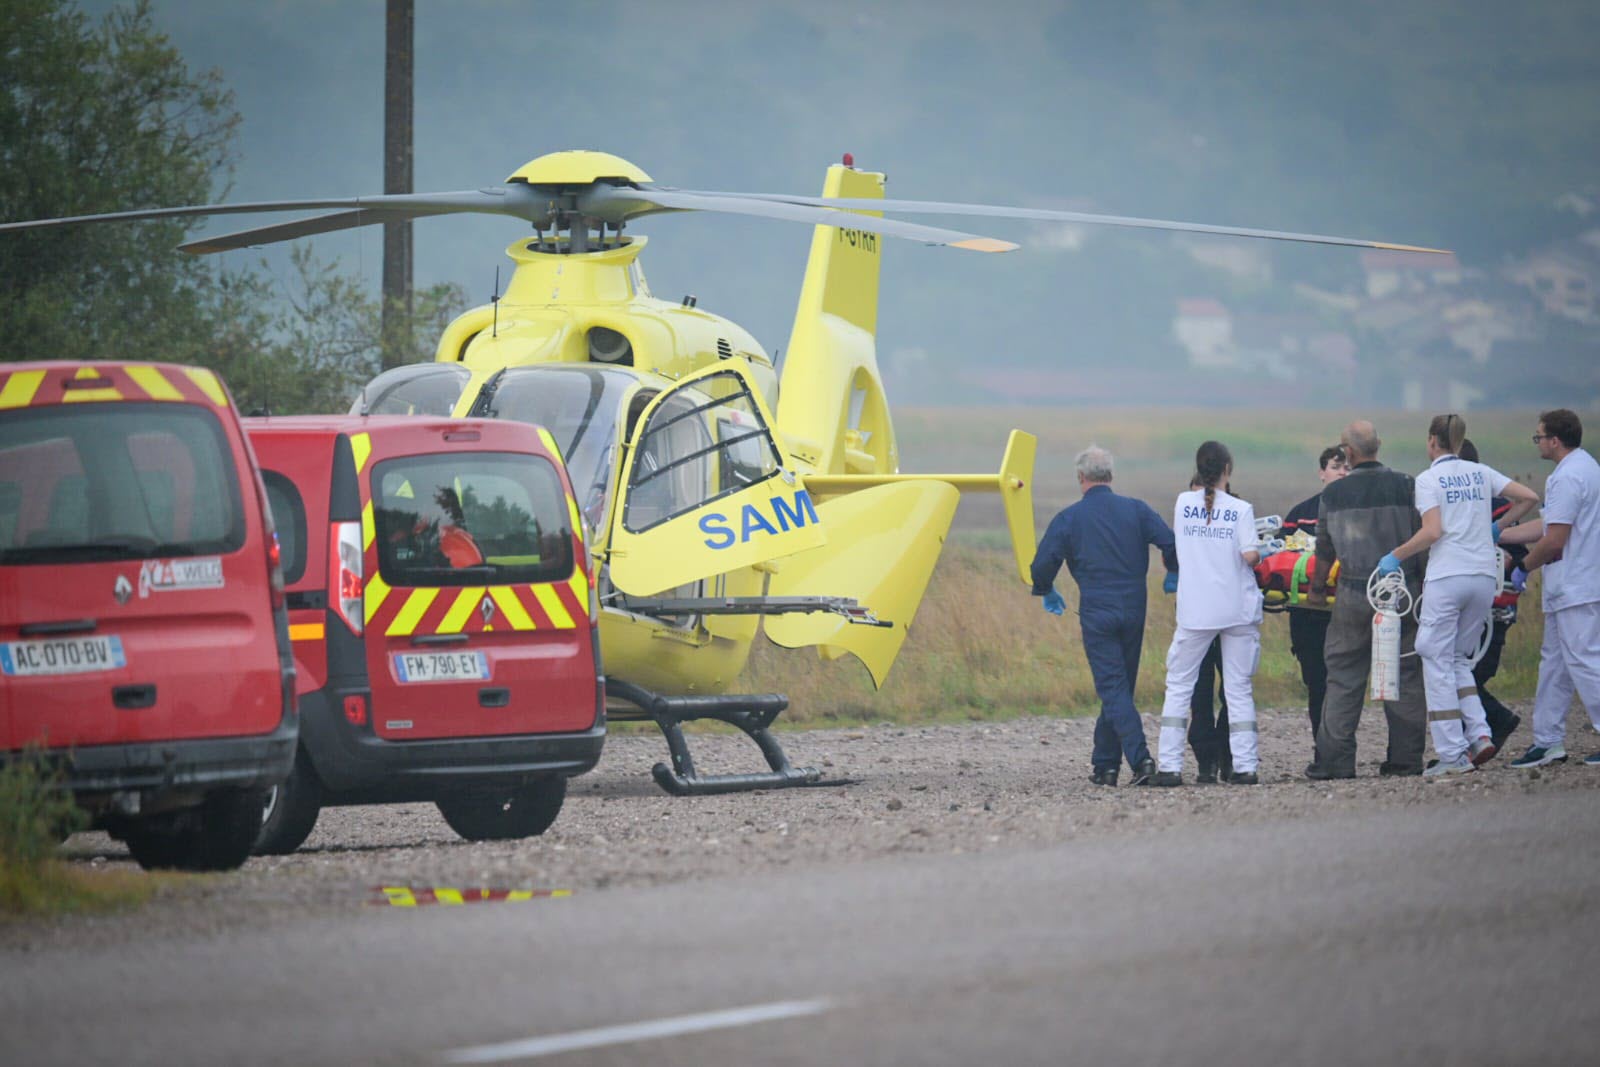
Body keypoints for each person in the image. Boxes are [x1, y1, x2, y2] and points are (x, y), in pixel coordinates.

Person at [1378, 415, 1538, 777]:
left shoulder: (1428, 479)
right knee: (1458, 659)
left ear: (1433, 441)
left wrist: (1396, 556)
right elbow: (1529, 497)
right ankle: (1480, 734)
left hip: (1448, 576)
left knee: (1432, 656)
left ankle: (1451, 753)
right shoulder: (1481, 473)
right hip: (1483, 578)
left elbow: (1432, 531)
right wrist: (1497, 526)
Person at [1032, 444, 1177, 787]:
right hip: (1134, 606)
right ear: (1110, 476)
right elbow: (1170, 542)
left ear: (1081, 478)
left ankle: (1141, 760)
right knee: (1119, 687)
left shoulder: (1069, 518)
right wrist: (1172, 570)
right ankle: (1105, 765)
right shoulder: (1137, 510)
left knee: (1113, 687)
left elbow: (1042, 564)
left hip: (1097, 609)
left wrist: (1045, 588)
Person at [1304, 420, 1428, 779]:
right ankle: (1405, 761)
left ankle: (1335, 762)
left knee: (1343, 676)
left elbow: (1324, 550)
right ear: (1379, 445)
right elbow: (1423, 537)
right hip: (1403, 593)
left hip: (1353, 595)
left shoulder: (1333, 496)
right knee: (1404, 673)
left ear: (1348, 453)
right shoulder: (1407, 485)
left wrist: (1315, 591)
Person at [1153, 441, 1272, 787]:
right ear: (1228, 470)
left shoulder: (1182, 503)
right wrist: (1264, 550)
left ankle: (1170, 767)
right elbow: (1250, 556)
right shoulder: (1241, 509)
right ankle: (1246, 766)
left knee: (1178, 686)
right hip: (1236, 610)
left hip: (1195, 612)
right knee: (1237, 689)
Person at [1501, 409, 1600, 768]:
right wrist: (1502, 534)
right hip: (1570, 586)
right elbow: (1549, 524)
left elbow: (1555, 540)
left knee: (1585, 660)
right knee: (1555, 665)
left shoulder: (1569, 477)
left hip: (1576, 584)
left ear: (1554, 440)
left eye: (1539, 436)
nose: (1537, 442)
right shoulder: (1583, 468)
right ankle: (1548, 741)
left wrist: (1523, 567)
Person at [1458, 438, 1526, 750]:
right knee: (1464, 674)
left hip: (1491, 610)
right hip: (1482, 606)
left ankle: (1493, 724)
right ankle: (1480, 734)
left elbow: (1514, 556)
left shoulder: (1492, 504)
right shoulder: (1480, 502)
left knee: (1464, 675)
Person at [1278, 445, 1348, 743]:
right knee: (1316, 682)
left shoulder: (1361, 514)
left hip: (1347, 613)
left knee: (1344, 682)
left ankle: (1340, 749)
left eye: (1348, 467)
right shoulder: (1300, 515)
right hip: (1307, 615)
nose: (1343, 472)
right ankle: (1323, 749)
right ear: (1322, 473)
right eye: (1335, 466)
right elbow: (1280, 558)